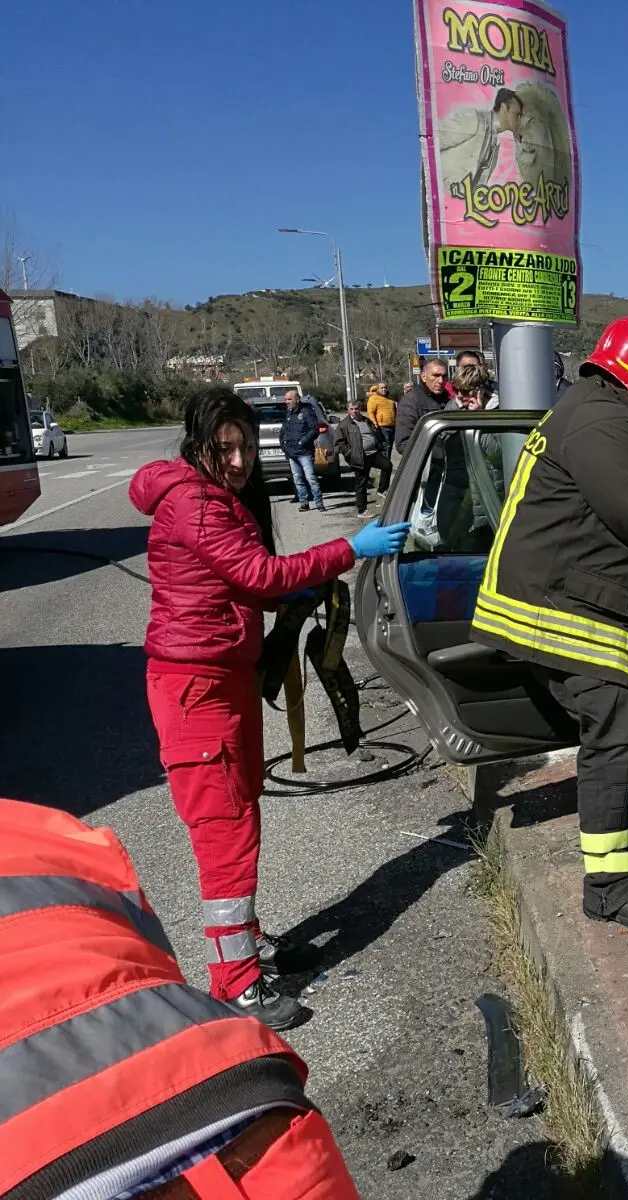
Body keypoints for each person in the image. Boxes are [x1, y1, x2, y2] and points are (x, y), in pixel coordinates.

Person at [130, 388, 410, 1030]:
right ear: (196, 446)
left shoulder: (213, 498)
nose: (238, 461)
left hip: (221, 682)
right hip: (195, 690)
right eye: (222, 448)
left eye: (245, 446)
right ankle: (234, 982)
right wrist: (349, 549)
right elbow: (256, 576)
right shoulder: (194, 502)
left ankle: (246, 947)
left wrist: (298, 585)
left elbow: (239, 582)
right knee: (226, 831)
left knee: (242, 808)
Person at [0, 797, 361, 1198]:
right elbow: (147, 958)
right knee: (225, 823)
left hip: (47, 1165)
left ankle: (243, 963)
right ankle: (238, 979)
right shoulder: (41, 824)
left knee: (232, 822)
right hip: (249, 1099)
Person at [469, 317, 628, 930]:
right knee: (616, 732)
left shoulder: (594, 408)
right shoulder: (604, 422)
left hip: (553, 598)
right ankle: (610, 888)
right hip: (561, 612)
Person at [436, 87, 524, 194]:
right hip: (441, 195)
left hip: (461, 203)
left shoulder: (494, 141)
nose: (519, 120)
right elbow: (435, 141)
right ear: (504, 108)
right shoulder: (474, 119)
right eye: (517, 114)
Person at [331, 395, 389, 516]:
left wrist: (381, 445)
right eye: (352, 409)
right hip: (359, 457)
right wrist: (350, 454)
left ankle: (382, 489)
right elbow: (338, 444)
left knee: (387, 466)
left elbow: (374, 433)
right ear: (348, 409)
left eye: (356, 408)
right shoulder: (344, 425)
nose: (355, 411)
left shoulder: (365, 420)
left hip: (374, 453)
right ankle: (362, 510)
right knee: (361, 483)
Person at [278, 389, 323, 512]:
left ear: (297, 400)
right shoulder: (289, 413)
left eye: (289, 399)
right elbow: (283, 432)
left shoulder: (306, 412)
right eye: (286, 399)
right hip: (292, 453)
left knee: (311, 478)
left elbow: (314, 430)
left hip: (305, 453)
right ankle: (304, 503)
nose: (287, 402)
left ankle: (319, 503)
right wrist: (284, 445)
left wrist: (302, 442)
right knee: (298, 479)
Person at [395, 357, 450, 456]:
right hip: (427, 466)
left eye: (444, 376)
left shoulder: (448, 399)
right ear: (424, 377)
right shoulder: (411, 401)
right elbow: (403, 444)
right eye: (436, 375)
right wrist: (438, 453)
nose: (441, 381)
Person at [366, 381, 396, 492]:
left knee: (388, 453)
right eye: (382, 388)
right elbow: (370, 412)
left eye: (385, 387)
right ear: (378, 389)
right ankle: (383, 487)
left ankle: (384, 486)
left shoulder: (389, 400)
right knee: (385, 456)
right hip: (382, 428)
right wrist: (375, 424)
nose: (384, 389)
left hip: (391, 427)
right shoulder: (374, 399)